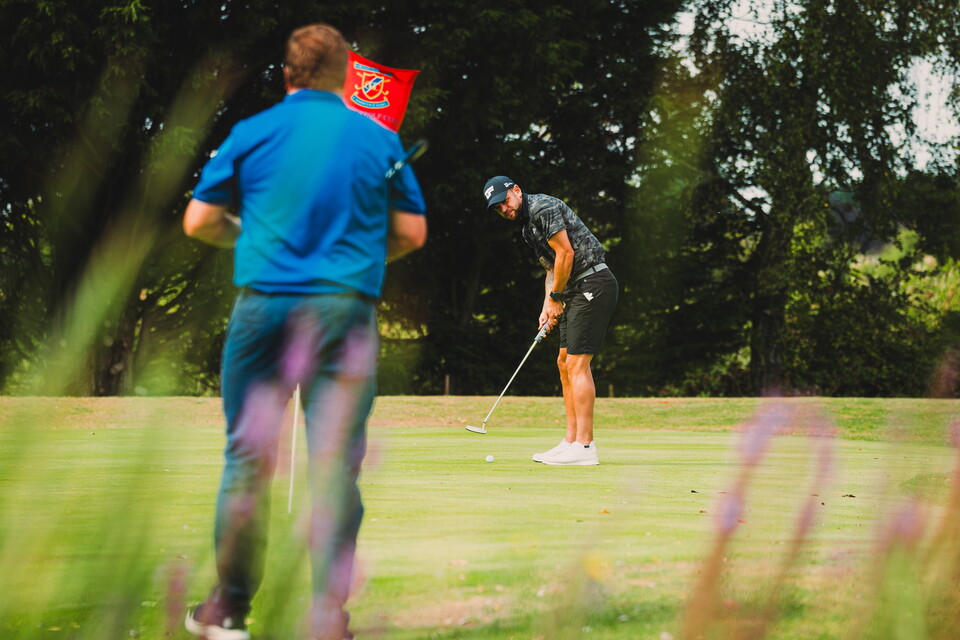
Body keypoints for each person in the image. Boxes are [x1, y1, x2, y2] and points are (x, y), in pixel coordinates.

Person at [182, 24, 427, 640]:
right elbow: (411, 234)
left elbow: (199, 221)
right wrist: (359, 256)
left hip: (264, 309)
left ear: (286, 76)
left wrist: (251, 238)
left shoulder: (253, 132)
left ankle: (231, 611)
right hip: (344, 313)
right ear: (349, 78)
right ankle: (326, 618)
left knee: (246, 459)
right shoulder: (377, 138)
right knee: (335, 467)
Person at [483, 176, 617, 465]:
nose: (504, 209)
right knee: (563, 361)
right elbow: (551, 268)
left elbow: (566, 252)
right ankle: (570, 441)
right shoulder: (527, 229)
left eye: (505, 201)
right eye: (498, 209)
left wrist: (556, 297)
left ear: (516, 190)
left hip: (594, 281)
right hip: (575, 289)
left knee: (577, 363)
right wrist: (547, 304)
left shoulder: (543, 207)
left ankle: (585, 447)